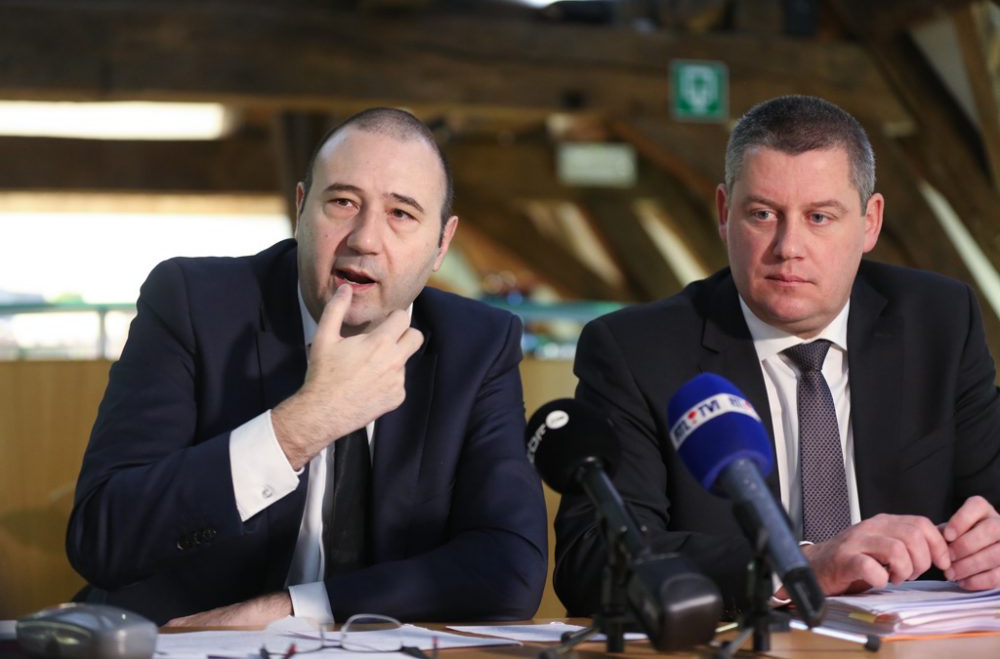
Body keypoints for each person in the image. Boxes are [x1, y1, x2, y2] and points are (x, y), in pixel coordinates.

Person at [66, 108, 548, 626]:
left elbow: (509, 571)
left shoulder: (477, 345)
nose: (365, 239)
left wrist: (296, 609)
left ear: (442, 244)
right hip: (176, 643)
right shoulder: (192, 304)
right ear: (300, 209)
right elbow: (103, 536)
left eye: (401, 214)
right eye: (343, 202)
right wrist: (303, 423)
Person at [554, 95, 1000, 616]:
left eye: (819, 217)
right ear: (725, 213)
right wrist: (800, 566)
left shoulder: (939, 320)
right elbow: (593, 560)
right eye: (763, 214)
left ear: (870, 222)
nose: (789, 246)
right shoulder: (637, 351)